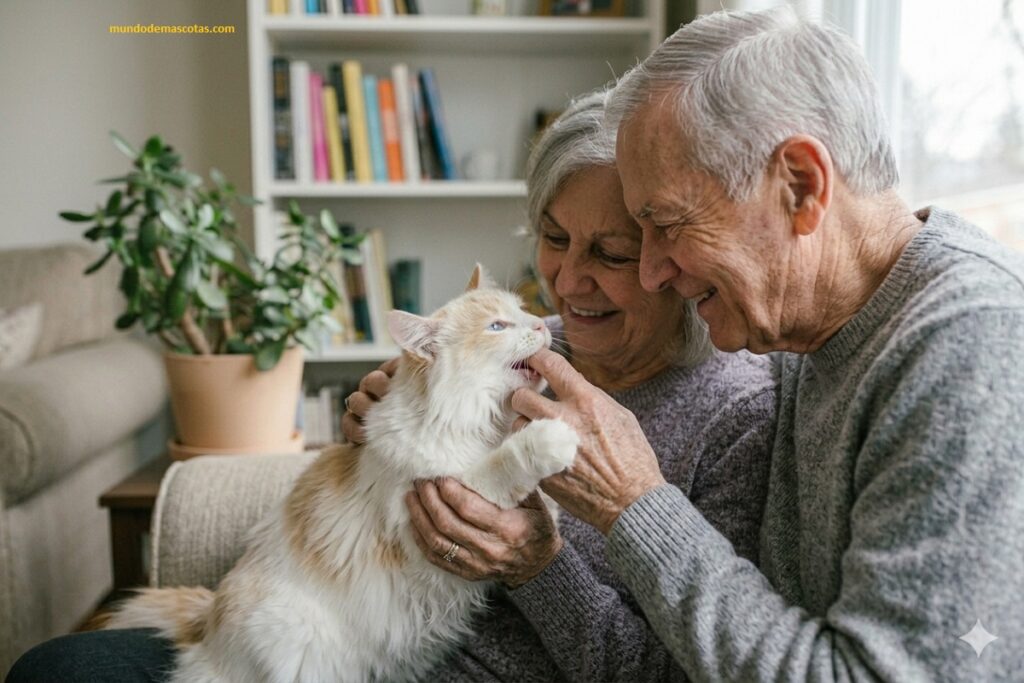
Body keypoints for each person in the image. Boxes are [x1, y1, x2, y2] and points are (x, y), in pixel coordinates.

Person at [6, 90, 777, 682]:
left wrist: (539, 566)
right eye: (552, 238)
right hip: (354, 645)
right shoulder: (523, 349)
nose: (568, 280)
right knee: (55, 670)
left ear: (671, 258)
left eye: (609, 252)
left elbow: (660, 670)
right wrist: (377, 443)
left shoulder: (736, 412)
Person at [496, 6, 1024, 682]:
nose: (653, 271)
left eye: (667, 224)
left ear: (801, 186)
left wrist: (638, 506)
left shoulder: (969, 348)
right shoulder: (800, 328)